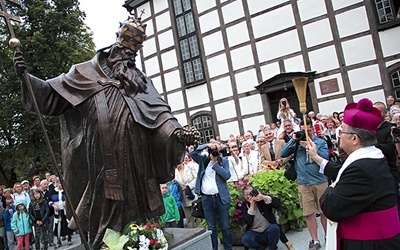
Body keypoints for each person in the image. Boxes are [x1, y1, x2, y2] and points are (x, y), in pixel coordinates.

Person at [12, 15, 194, 248]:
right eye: (124, 51)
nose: (127, 59)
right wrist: (26, 78)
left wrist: (178, 133)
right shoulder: (84, 74)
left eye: (132, 55)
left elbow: (161, 115)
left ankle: (143, 236)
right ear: (114, 49)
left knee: (138, 205)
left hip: (138, 161)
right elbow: (50, 95)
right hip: (102, 162)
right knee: (106, 208)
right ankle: (106, 242)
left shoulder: (138, 82)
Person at [306, 98, 400, 250]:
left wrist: (331, 189)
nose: (339, 135)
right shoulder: (371, 157)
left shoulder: (361, 168)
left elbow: (331, 207)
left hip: (370, 243)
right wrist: (317, 157)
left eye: (342, 131)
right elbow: (344, 172)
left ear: (355, 138)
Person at [280, 119, 329, 250]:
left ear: (313, 129)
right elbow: (282, 153)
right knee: (308, 213)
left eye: (309, 130)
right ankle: (315, 240)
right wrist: (294, 140)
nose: (306, 133)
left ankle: (327, 237)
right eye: (303, 131)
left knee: (324, 211)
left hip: (320, 181)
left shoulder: (320, 142)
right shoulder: (296, 143)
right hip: (304, 182)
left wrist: (312, 149)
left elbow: (325, 158)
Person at [190, 142, 233, 250]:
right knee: (211, 228)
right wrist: (206, 145)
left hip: (221, 198)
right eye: (212, 151)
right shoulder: (203, 160)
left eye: (216, 151)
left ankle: (228, 248)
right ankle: (214, 248)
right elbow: (192, 153)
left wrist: (215, 164)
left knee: (226, 227)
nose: (214, 153)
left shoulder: (224, 161)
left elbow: (227, 176)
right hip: (206, 199)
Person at [241, 185, 281, 250]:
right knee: (245, 240)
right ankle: (261, 248)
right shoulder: (244, 206)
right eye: (246, 195)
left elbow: (278, 204)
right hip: (254, 232)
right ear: (243, 196)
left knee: (275, 228)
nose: (249, 196)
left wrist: (263, 197)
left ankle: (272, 247)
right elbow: (247, 221)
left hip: (267, 230)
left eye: (250, 194)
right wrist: (251, 206)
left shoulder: (261, 200)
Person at [175, 156, 199, 228]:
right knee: (188, 216)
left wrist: (189, 186)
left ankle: (199, 229)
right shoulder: (174, 172)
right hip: (183, 195)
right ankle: (191, 231)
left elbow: (196, 178)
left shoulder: (189, 167)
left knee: (197, 214)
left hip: (192, 193)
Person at [48, 178, 72, 247]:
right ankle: (59, 241)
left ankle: (69, 239)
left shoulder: (66, 191)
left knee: (68, 224)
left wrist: (66, 203)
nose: (61, 185)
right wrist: (53, 205)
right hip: (57, 211)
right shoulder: (52, 191)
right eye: (59, 183)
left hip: (65, 211)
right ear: (57, 183)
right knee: (58, 225)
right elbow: (49, 201)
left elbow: (70, 199)